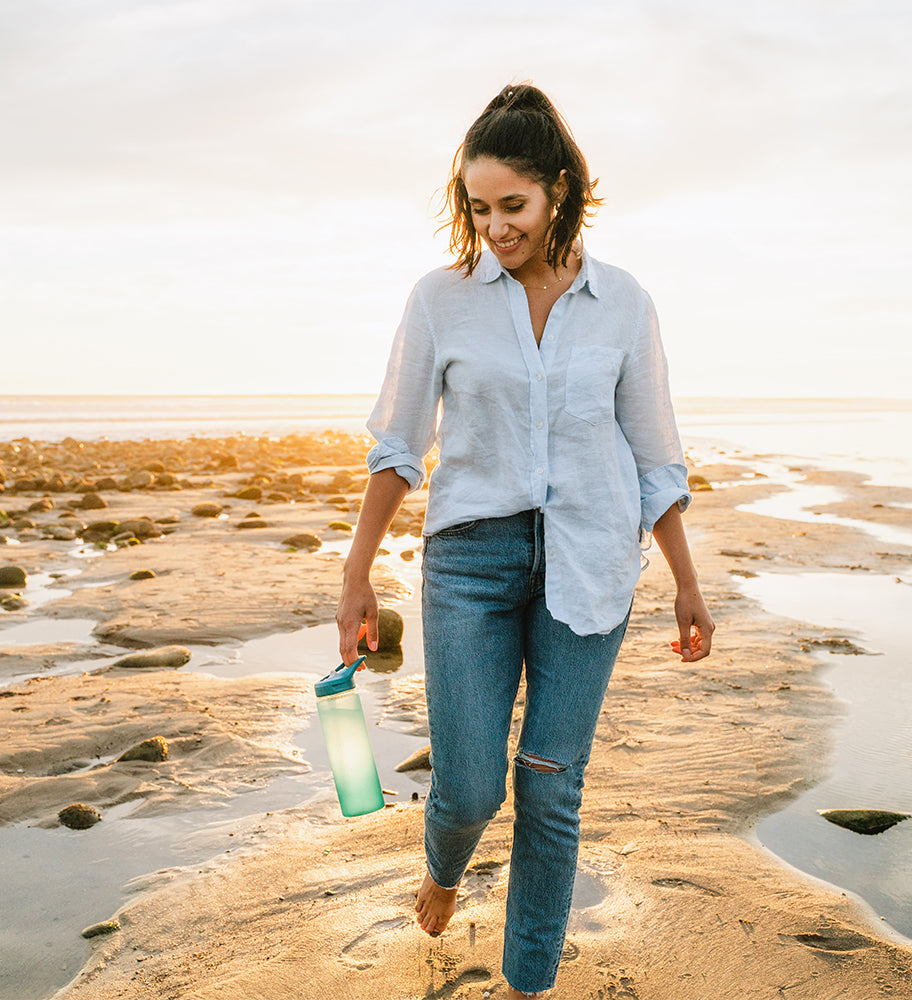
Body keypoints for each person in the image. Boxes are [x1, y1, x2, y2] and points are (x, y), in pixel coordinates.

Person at [336, 82, 714, 999]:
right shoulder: (441, 299)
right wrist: (357, 574)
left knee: (550, 784)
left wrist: (686, 583)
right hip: (471, 560)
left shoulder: (624, 303)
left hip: (590, 560)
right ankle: (442, 864)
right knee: (469, 790)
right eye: (479, 207)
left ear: (559, 192)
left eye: (514, 205)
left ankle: (527, 984)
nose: (496, 226)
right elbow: (399, 444)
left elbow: (654, 456)